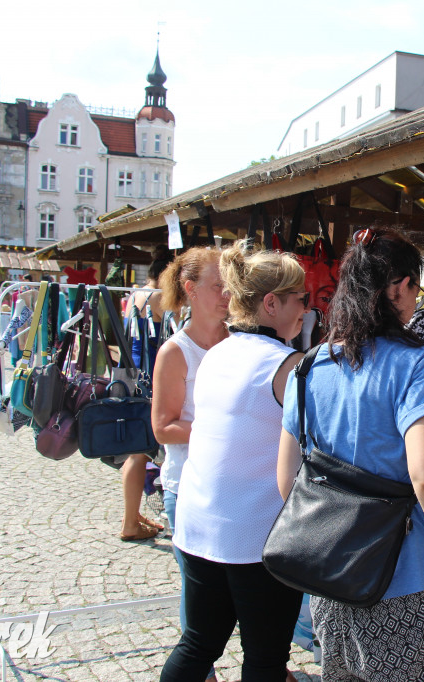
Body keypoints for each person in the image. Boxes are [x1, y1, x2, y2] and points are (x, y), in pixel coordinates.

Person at [277, 227, 424, 682]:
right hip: (408, 580)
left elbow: (287, 479)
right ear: (398, 286)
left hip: (331, 579)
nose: (415, 300)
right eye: (415, 286)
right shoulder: (417, 363)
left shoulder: (310, 366)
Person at [160, 244, 308, 682]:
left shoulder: (217, 352)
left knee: (198, 643)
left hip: (200, 521)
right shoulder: (288, 364)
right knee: (265, 659)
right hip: (254, 534)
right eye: (300, 297)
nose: (306, 308)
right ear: (271, 303)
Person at [151, 247, 229, 682]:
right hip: (189, 487)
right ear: (190, 289)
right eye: (218, 286)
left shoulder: (238, 342)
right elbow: (163, 428)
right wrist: (221, 433)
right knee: (198, 595)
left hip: (233, 486)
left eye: (229, 287)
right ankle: (200, 672)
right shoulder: (175, 352)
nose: (226, 295)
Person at [118, 258, 170, 541]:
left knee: (135, 450)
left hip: (132, 369)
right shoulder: (159, 298)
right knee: (139, 451)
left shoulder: (135, 295)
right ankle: (130, 520)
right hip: (150, 374)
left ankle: (132, 514)